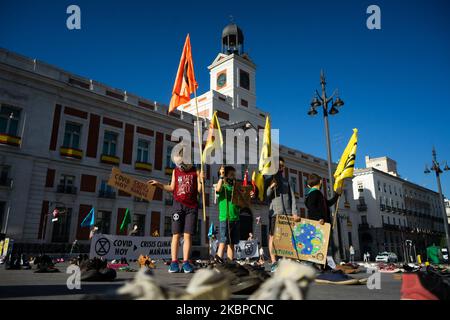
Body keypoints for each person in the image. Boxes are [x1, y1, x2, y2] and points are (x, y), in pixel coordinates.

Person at [149, 151, 203, 274]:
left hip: (191, 207)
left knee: (188, 235)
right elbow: (172, 188)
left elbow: (199, 190)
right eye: (178, 162)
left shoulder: (196, 171)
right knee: (176, 234)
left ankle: (185, 262)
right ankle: (174, 262)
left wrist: (201, 180)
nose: (180, 165)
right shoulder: (175, 171)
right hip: (178, 205)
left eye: (181, 162)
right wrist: (159, 185)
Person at [267, 157, 299, 272]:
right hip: (275, 213)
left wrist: (294, 213)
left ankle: (285, 261)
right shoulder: (270, 179)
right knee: (273, 237)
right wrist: (271, 187)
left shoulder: (287, 181)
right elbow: (265, 195)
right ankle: (274, 262)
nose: (282, 168)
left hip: (288, 214)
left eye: (283, 166)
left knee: (287, 238)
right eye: (280, 166)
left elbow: (293, 198)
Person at [215, 165, 240, 263]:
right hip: (225, 218)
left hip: (235, 218)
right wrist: (221, 176)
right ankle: (218, 259)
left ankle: (230, 261)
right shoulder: (223, 186)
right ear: (225, 176)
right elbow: (217, 190)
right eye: (231, 175)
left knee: (232, 242)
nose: (233, 177)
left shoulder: (235, 188)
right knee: (223, 240)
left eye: (234, 175)